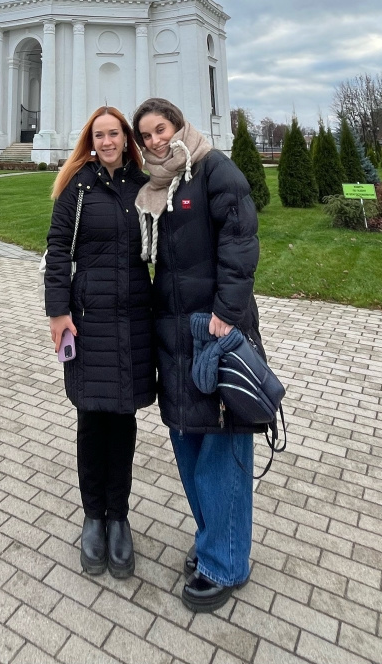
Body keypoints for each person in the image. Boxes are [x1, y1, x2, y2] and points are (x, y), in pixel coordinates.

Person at [132, 97, 263, 613]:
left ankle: (226, 562)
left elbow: (240, 242)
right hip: (174, 329)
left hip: (213, 328)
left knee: (222, 444)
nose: (154, 141)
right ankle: (213, 541)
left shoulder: (214, 170)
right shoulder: (159, 187)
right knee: (188, 437)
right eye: (146, 136)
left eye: (160, 129)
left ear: (179, 125)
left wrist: (227, 315)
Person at [44, 106, 155, 579]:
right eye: (100, 134)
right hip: (89, 320)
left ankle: (119, 518)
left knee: (123, 422)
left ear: (125, 138)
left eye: (114, 134)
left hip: (132, 317)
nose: (108, 141)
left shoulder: (143, 185)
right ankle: (93, 517)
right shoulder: (79, 186)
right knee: (92, 420)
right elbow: (57, 248)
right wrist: (57, 312)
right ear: (90, 139)